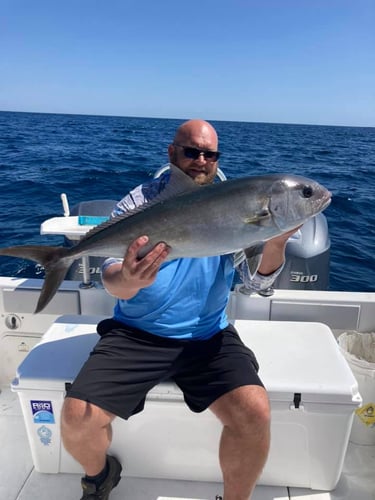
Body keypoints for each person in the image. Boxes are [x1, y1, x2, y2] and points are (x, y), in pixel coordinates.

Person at [61, 119, 296, 500]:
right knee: (76, 418)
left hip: (208, 335)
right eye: (192, 151)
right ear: (172, 154)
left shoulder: (239, 205)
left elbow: (256, 286)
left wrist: (275, 244)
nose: (201, 160)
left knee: (255, 413)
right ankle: (100, 476)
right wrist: (131, 280)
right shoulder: (141, 201)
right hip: (136, 336)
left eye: (210, 154)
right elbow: (111, 279)